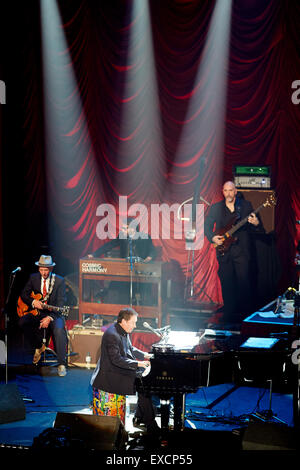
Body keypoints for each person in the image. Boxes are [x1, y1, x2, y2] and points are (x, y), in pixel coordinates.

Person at [204, 181, 264, 327]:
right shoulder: (216, 208)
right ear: (222, 192)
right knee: (226, 282)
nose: (229, 193)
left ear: (235, 191)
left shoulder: (245, 206)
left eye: (231, 190)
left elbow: (257, 228)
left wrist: (256, 223)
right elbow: (206, 226)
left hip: (241, 250)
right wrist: (212, 237)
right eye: (226, 191)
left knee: (244, 283)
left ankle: (246, 316)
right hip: (224, 250)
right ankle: (229, 313)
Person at [90, 307, 159, 434]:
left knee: (143, 386)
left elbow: (130, 349)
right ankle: (148, 422)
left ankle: (143, 419)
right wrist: (138, 363)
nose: (135, 325)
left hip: (118, 369)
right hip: (110, 375)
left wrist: (145, 355)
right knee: (142, 384)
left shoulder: (122, 330)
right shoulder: (112, 335)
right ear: (124, 321)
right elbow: (116, 360)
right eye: (133, 322)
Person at [18, 255, 68, 377]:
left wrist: (49, 318)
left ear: (51, 269)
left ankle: (61, 364)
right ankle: (38, 346)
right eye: (41, 270)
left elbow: (61, 303)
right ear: (39, 268)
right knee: (23, 322)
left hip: (54, 314)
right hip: (38, 313)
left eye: (46, 270)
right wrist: (33, 302)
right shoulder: (33, 278)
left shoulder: (59, 281)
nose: (44, 273)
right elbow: (24, 294)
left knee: (59, 329)